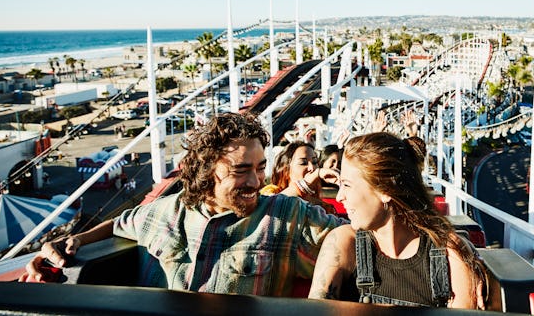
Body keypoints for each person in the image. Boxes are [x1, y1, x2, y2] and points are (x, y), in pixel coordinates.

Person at [21, 112, 346, 296]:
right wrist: (73, 241)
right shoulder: (165, 212)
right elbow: (121, 224)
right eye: (241, 170)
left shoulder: (285, 218)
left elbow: (353, 239)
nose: (256, 181)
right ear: (207, 170)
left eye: (261, 168)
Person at [308, 132, 485, 308]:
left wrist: (463, 249)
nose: (339, 197)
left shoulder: (448, 256)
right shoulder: (343, 243)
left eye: (347, 185)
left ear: (385, 190)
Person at [260, 141, 338, 213]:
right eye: (303, 163)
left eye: (314, 162)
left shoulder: (324, 208)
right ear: (286, 170)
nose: (312, 168)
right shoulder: (270, 193)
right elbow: (270, 207)